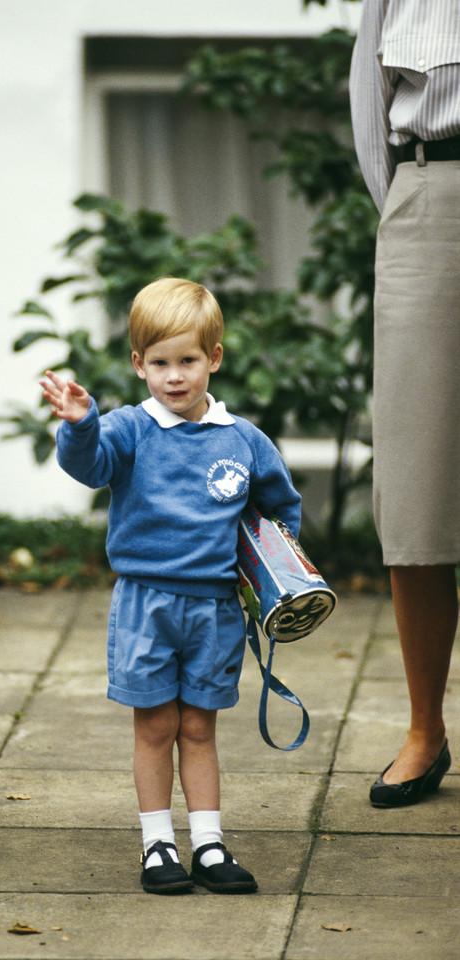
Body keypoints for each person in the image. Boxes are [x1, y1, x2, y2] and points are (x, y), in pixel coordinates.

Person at [41, 277, 301, 893]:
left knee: (199, 728)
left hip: (215, 609)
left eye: (188, 361)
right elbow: (90, 466)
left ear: (214, 357)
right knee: (155, 726)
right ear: (139, 366)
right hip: (145, 604)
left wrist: (276, 575)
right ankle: (157, 846)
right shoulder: (130, 429)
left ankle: (209, 847)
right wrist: (81, 424)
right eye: (160, 363)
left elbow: (280, 508)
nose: (175, 376)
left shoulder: (243, 439)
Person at [350, 0, 459, 807]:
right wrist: (410, 208)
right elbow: (367, 92)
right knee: (418, 479)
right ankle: (425, 731)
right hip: (434, 198)